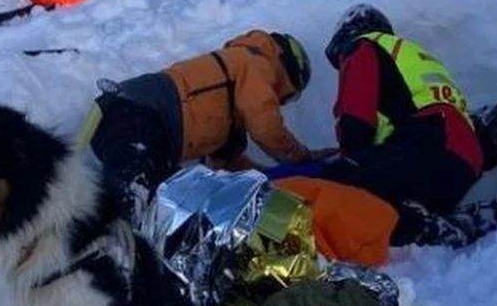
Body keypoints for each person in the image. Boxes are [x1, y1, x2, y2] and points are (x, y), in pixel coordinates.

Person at [305, 4, 497, 248]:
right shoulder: (417, 60)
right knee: (396, 196)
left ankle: (434, 227)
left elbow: (355, 116)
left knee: (337, 186)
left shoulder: (363, 46)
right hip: (463, 160)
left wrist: (352, 164)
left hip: (425, 146)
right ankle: (466, 214)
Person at [79, 29, 321, 220]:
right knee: (131, 202)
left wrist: (272, 180)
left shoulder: (229, 113)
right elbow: (267, 129)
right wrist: (303, 160)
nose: (281, 101)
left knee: (163, 206)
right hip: (138, 114)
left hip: (140, 130)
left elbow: (232, 171)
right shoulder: (256, 63)